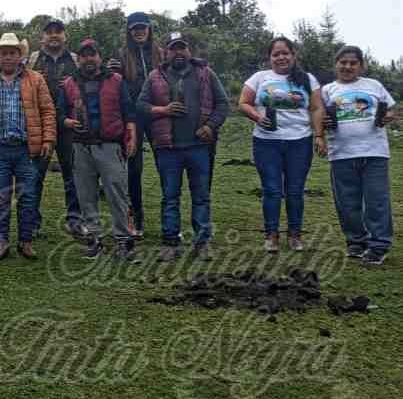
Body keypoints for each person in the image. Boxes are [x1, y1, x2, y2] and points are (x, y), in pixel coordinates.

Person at [137, 32, 229, 260]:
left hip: (199, 146)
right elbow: (140, 105)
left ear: (189, 51)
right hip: (168, 148)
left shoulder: (206, 74)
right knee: (170, 197)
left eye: (182, 48)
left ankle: (202, 242)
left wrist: (211, 126)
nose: (178, 52)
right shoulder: (155, 76)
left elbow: (223, 104)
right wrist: (163, 110)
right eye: (173, 48)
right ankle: (170, 242)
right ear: (166, 53)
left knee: (201, 196)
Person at [0, 33, 55, 261]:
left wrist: (48, 140)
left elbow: (48, 111)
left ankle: (26, 241)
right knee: (0, 197)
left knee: (28, 196)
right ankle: (1, 242)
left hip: (26, 150)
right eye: (4, 53)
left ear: (20, 56)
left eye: (13, 53)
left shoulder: (35, 79)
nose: (8, 57)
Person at [238, 37, 324, 253]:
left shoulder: (308, 79)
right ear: (269, 58)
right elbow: (243, 103)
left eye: (285, 52)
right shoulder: (259, 78)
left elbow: (316, 108)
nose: (281, 57)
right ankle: (271, 235)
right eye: (276, 54)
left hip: (300, 142)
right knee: (272, 190)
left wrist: (319, 135)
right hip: (267, 143)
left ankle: (295, 235)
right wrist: (257, 118)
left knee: (295, 190)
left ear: (293, 55)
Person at [321, 45, 397, 265]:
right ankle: (356, 241)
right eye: (343, 62)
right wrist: (322, 125)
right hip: (341, 153)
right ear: (336, 65)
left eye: (353, 63)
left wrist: (388, 117)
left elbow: (391, 109)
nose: (347, 66)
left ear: (361, 66)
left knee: (377, 200)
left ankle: (379, 244)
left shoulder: (374, 85)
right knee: (347, 202)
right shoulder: (327, 90)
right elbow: (318, 115)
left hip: (375, 152)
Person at [63, 39, 138, 258]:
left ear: (99, 57)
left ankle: (123, 240)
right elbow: (59, 112)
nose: (89, 58)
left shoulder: (116, 80)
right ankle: (94, 239)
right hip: (81, 146)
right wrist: (66, 122)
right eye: (84, 55)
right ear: (79, 59)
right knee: (86, 195)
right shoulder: (69, 83)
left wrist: (131, 136)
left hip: (110, 144)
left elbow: (129, 111)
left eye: (92, 54)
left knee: (117, 192)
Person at [106, 12, 163, 238]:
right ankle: (135, 219)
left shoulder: (161, 54)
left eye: (143, 27)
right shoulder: (120, 55)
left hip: (158, 115)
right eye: (135, 28)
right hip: (133, 117)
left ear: (149, 29)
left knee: (165, 166)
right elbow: (114, 85)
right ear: (129, 31)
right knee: (134, 169)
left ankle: (170, 221)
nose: (139, 31)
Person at [27, 16, 81, 236]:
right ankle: (32, 221)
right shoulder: (31, 60)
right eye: (50, 31)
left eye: (58, 31)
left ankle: (74, 219)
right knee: (35, 174)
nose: (54, 35)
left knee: (73, 174)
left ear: (65, 36)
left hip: (69, 124)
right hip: (40, 124)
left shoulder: (76, 59)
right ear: (42, 37)